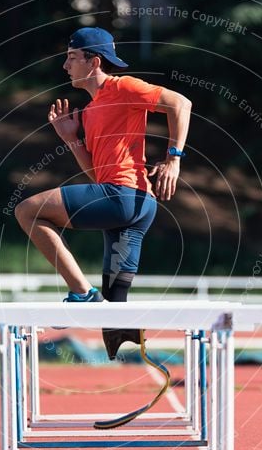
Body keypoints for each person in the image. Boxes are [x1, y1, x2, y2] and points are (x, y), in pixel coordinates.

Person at [15, 27, 192, 359]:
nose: (65, 66)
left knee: (27, 211)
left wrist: (174, 160)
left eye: (71, 58)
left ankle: (81, 293)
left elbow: (181, 103)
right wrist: (71, 139)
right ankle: (128, 352)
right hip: (136, 205)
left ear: (93, 61)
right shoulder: (92, 110)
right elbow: (98, 175)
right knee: (114, 309)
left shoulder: (122, 86)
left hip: (125, 197)